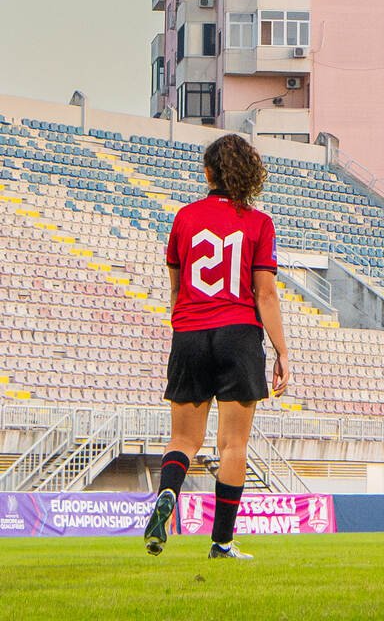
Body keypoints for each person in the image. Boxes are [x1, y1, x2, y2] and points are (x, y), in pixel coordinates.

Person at [142, 134, 290, 560]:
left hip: (189, 332)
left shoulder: (184, 218)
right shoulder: (259, 223)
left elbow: (174, 286)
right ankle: (221, 544)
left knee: (184, 440)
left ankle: (168, 494)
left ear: (207, 173)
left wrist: (186, 325)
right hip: (238, 334)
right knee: (232, 445)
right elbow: (265, 294)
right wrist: (282, 351)